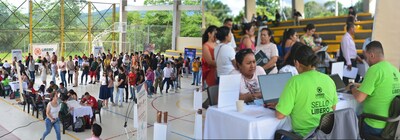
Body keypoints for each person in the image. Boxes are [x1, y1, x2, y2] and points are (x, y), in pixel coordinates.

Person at [269, 45, 337, 138]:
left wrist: (280, 105)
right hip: (326, 135)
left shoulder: (294, 82)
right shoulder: (328, 79)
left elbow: (280, 115)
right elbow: (333, 108)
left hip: (305, 136)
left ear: (296, 63)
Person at [348, 41, 400, 137]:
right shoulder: (394, 70)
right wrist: (358, 85)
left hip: (374, 124)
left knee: (349, 119)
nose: (366, 61)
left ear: (371, 55)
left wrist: (352, 87)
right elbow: (380, 86)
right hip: (392, 125)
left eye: (366, 57)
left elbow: (359, 98)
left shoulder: (374, 69)